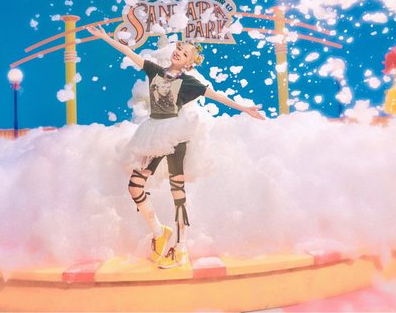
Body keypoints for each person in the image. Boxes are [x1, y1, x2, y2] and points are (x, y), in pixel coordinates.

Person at [86, 25, 265, 268]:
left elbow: (217, 96)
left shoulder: (190, 82)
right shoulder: (155, 71)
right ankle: (160, 232)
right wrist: (105, 37)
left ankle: (181, 248)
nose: (179, 52)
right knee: (135, 187)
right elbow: (130, 53)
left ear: (189, 63)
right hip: (152, 134)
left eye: (185, 53)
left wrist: (244, 108)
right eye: (179, 47)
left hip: (175, 136)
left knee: (177, 192)